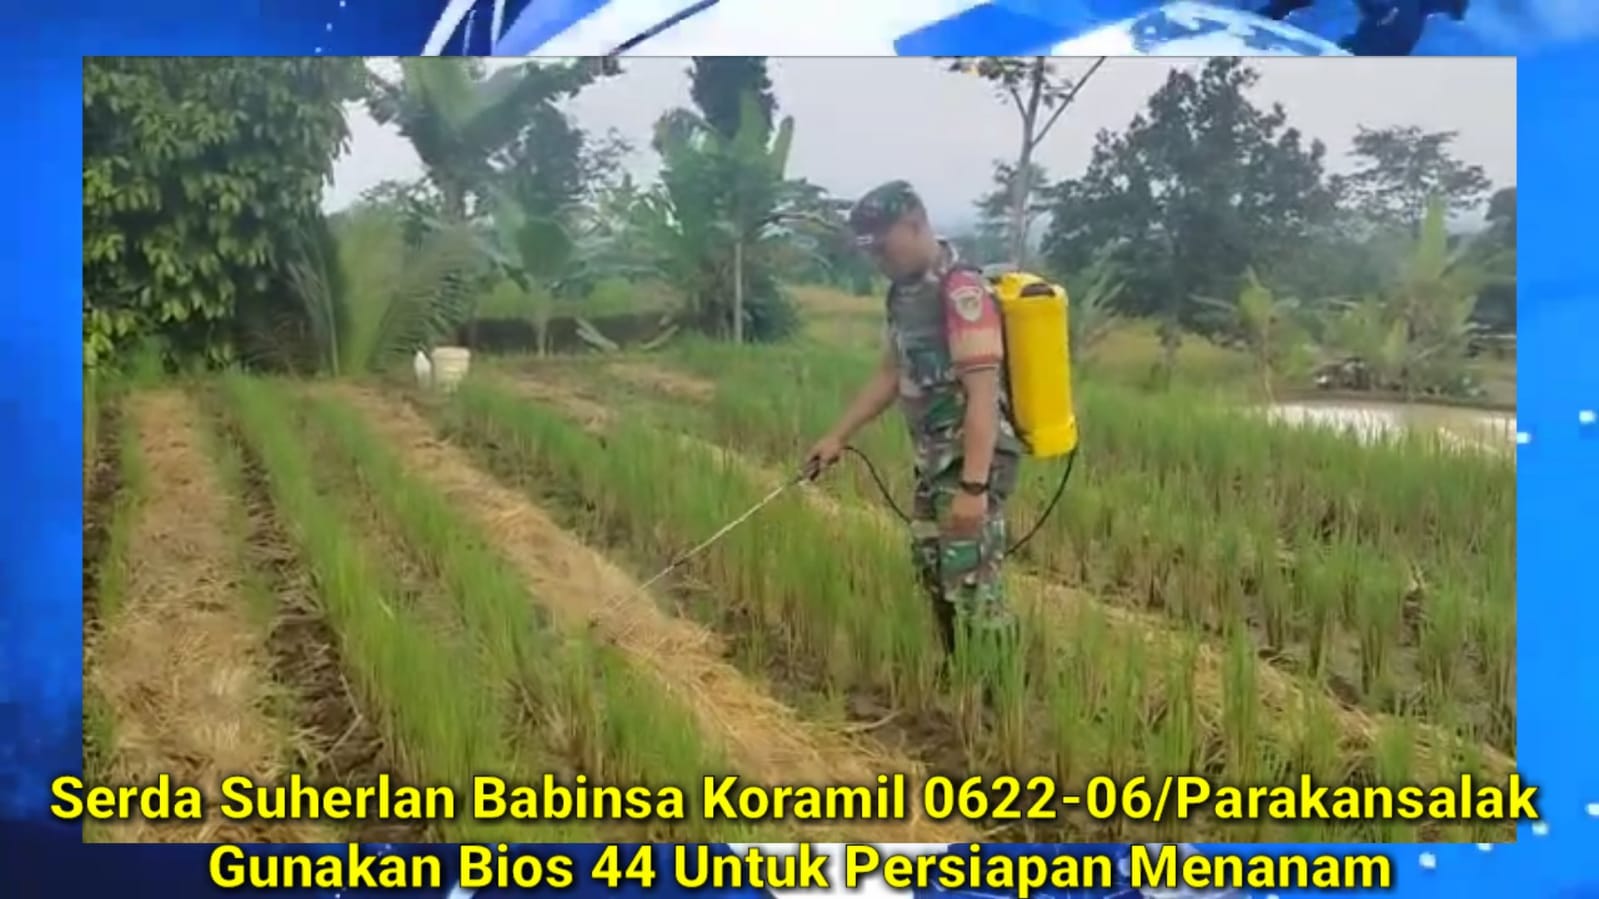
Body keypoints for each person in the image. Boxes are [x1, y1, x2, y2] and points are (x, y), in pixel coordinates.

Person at [804, 180, 1024, 675]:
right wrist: (838, 436)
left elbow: (983, 395)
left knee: (972, 579)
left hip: (971, 461)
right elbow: (891, 372)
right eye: (870, 251)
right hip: (934, 460)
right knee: (932, 568)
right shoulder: (902, 294)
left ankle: (999, 693)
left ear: (915, 224)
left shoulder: (961, 291)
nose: (877, 259)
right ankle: (960, 673)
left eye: (884, 246)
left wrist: (974, 489)